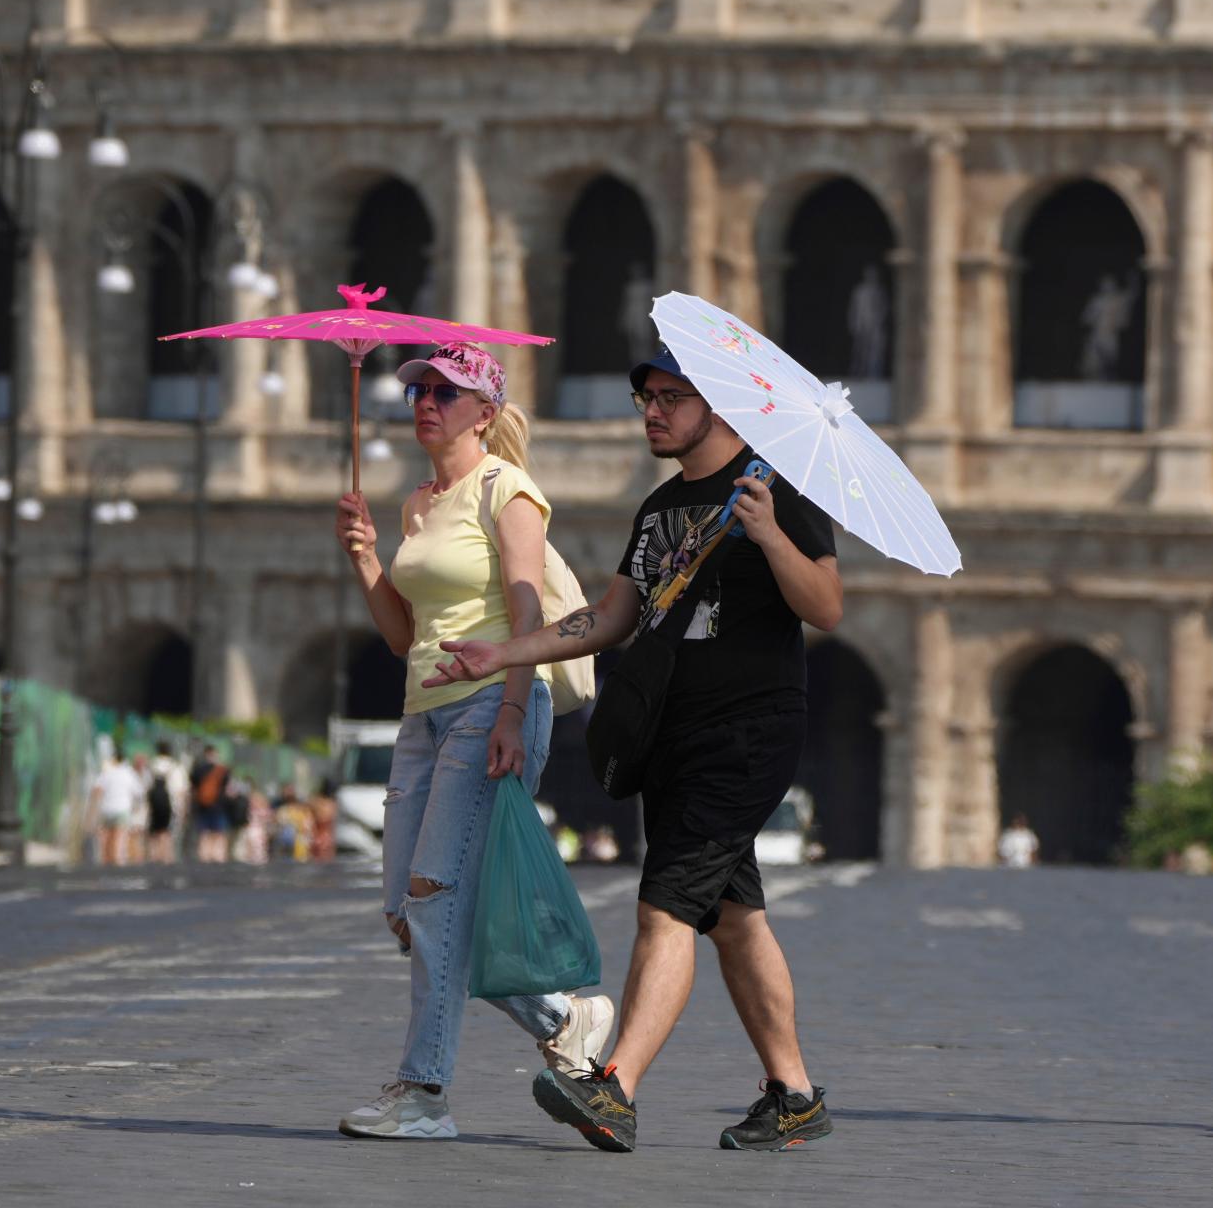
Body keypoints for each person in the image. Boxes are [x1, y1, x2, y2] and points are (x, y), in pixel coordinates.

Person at [423, 346, 842, 1153]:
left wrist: (771, 537)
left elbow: (825, 604)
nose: (651, 411)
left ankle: (615, 1086)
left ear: (716, 404)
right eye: (645, 397)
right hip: (670, 732)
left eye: (668, 397)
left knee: (666, 905)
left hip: (747, 731)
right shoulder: (657, 510)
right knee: (734, 917)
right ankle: (793, 1096)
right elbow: (612, 617)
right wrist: (503, 654)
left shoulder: (775, 488)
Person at [330, 340, 613, 1141]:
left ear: (483, 413)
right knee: (405, 909)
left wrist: (515, 712)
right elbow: (400, 636)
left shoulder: (509, 491)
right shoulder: (419, 503)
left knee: (435, 899)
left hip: (492, 703)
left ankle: (424, 1094)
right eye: (418, 388)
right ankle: (565, 1018)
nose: (425, 401)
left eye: (445, 392)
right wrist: (367, 559)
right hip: (423, 715)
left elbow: (527, 614)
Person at [88, 742, 142, 867]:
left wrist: (92, 811)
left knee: (105, 842)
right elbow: (138, 792)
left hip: (106, 809)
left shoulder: (107, 772)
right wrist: (135, 808)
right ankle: (117, 868)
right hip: (122, 809)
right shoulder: (129, 773)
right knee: (119, 841)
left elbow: (97, 790)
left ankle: (105, 867)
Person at [189, 744, 231, 864]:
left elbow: (193, 786)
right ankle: (218, 856)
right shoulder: (222, 770)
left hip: (202, 804)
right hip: (218, 805)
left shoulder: (198, 769)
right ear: (215, 754)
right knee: (218, 833)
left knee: (204, 833)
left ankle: (204, 856)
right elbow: (227, 787)